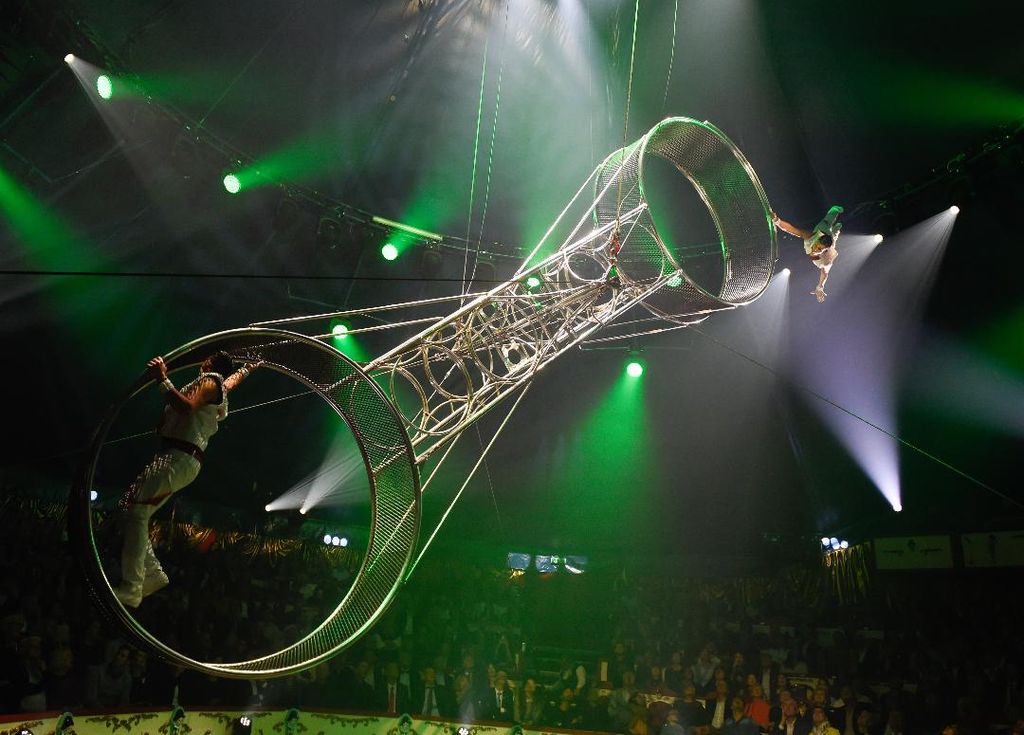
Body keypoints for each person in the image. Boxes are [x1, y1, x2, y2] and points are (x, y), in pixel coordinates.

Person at [115, 352, 259, 608]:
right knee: (132, 510)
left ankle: (134, 587)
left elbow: (186, 407)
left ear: (209, 364)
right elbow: (231, 382)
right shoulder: (216, 385)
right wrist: (247, 369)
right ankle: (151, 575)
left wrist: (162, 379)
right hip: (177, 457)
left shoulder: (210, 380)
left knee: (136, 512)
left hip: (179, 456)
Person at [772, 206, 844, 302]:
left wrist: (820, 287)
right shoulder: (812, 236)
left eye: (819, 249)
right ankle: (835, 211)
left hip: (829, 245)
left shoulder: (826, 260)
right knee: (827, 221)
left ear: (824, 251)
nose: (815, 249)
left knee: (834, 236)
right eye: (817, 246)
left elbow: (825, 274)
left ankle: (837, 229)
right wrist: (776, 220)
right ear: (817, 239)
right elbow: (792, 230)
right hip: (824, 229)